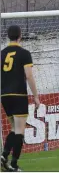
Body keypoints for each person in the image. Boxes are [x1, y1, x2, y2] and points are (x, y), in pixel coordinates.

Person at [1, 25, 40, 172]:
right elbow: (28, 75)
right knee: (19, 130)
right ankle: (14, 165)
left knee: (13, 128)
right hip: (18, 95)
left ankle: (4, 156)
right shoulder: (24, 53)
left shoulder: (2, 54)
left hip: (4, 96)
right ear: (20, 36)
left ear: (8, 36)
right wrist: (36, 96)